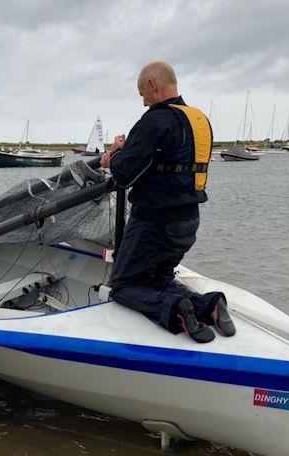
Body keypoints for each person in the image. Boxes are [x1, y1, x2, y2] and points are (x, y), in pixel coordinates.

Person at [101, 61, 235, 343]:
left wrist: (112, 157)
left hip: (154, 223)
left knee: (122, 285)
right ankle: (209, 304)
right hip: (187, 223)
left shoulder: (155, 120)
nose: (143, 101)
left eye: (142, 94)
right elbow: (169, 160)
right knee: (160, 279)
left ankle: (176, 309)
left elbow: (124, 174)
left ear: (153, 85)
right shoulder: (199, 120)